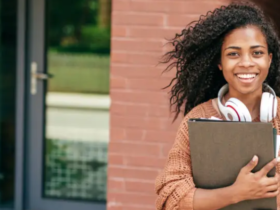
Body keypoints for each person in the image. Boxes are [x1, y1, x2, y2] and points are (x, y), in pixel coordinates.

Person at [155, 1, 280, 210]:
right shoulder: (199, 118)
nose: (246, 62)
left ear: (269, 59)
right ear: (220, 63)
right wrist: (236, 193)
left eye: (257, 53)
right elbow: (170, 199)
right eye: (233, 54)